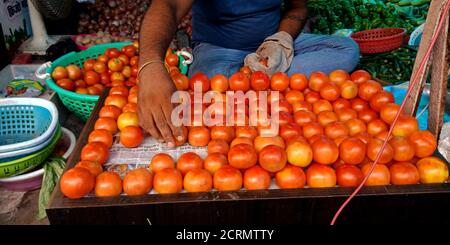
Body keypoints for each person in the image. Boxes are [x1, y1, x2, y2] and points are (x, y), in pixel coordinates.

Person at [138, 0, 360, 147]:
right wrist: (150, 64)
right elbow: (169, 5)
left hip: (271, 47)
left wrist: (280, 39)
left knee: (346, 50)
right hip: (219, 50)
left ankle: (251, 79)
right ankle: (264, 80)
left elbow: (297, 9)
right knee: (213, 86)